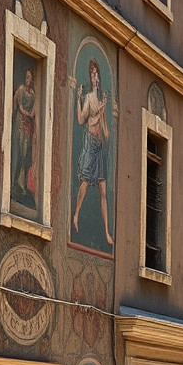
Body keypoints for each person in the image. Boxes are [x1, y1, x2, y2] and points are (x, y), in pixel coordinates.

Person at [72, 58, 113, 246]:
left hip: (99, 146)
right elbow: (82, 119)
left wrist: (104, 111)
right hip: (89, 143)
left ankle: (106, 232)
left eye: (96, 74)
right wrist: (77, 98)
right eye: (92, 74)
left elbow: (106, 132)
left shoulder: (102, 98)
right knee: (85, 183)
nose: (94, 76)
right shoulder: (89, 98)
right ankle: (76, 214)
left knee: (103, 191)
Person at [11, 66, 37, 201]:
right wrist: (28, 114)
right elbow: (19, 107)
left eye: (31, 78)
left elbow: (33, 110)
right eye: (27, 77)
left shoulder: (32, 94)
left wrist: (32, 115)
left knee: (26, 156)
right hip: (20, 125)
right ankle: (15, 183)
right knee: (20, 153)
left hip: (28, 127)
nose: (29, 80)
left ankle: (23, 185)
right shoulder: (21, 90)